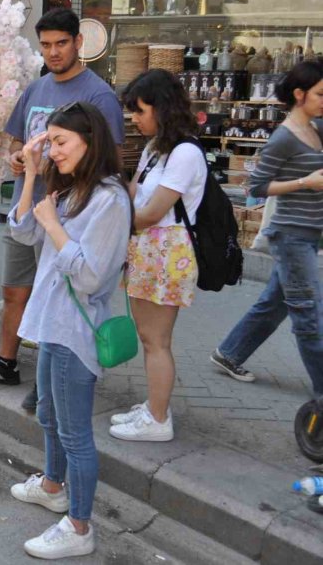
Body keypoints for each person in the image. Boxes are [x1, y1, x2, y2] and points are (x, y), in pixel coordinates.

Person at [0, 8, 126, 413]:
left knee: (58, 294)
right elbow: (16, 142)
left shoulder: (98, 95)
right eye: (46, 45)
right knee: (15, 289)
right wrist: (20, 160)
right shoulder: (37, 89)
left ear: (78, 43)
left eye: (61, 43)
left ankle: (48, 382)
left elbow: (110, 159)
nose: (53, 53)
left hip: (68, 216)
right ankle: (6, 362)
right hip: (27, 204)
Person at [7, 102, 131, 559]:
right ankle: (53, 485)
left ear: (89, 142)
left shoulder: (110, 200)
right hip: (50, 321)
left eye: (61, 142)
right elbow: (22, 231)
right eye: (50, 140)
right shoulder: (70, 188)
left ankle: (79, 526)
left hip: (77, 330)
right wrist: (33, 175)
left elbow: (92, 278)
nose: (53, 150)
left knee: (76, 433)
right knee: (48, 416)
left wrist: (54, 225)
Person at [106, 69, 207, 443]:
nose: (135, 119)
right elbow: (133, 193)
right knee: (148, 337)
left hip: (167, 252)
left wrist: (114, 221)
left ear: (162, 108)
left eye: (140, 111)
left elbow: (150, 213)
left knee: (157, 340)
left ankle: (159, 419)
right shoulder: (154, 149)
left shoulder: (185, 154)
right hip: (146, 249)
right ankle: (153, 406)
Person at [211, 61, 323, 395]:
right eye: (320, 93)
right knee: (310, 319)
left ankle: (229, 352)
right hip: (290, 237)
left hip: (309, 235)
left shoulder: (317, 129)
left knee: (276, 302)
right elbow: (256, 187)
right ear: (299, 95)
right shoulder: (283, 138)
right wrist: (305, 182)